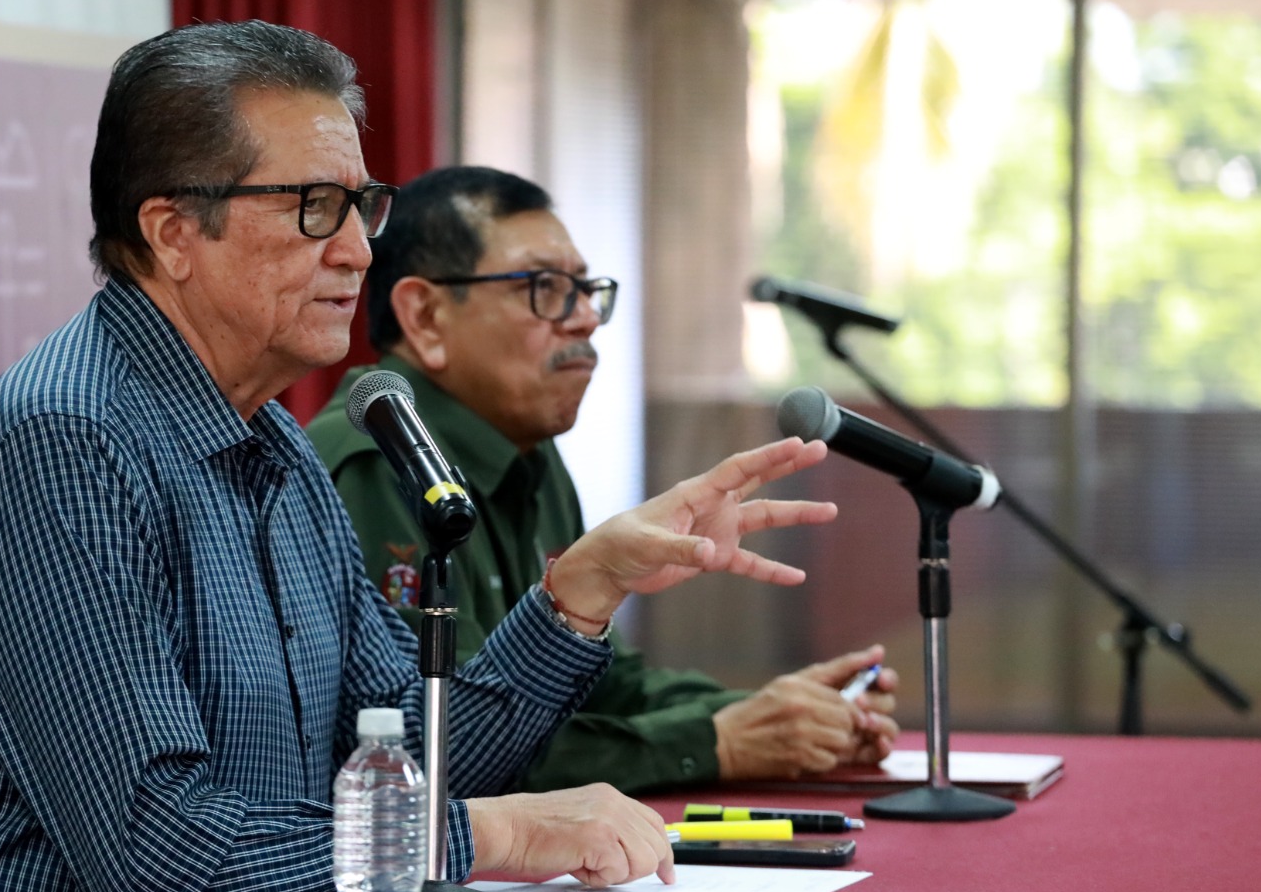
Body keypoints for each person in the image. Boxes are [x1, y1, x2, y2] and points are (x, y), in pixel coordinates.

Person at [0, 23, 840, 892]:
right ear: (173, 232)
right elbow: (154, 853)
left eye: (361, 205)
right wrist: (495, 836)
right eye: (313, 206)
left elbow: (411, 752)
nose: (356, 250)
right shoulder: (64, 445)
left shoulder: (267, 443)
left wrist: (581, 589)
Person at [308, 166, 898, 795]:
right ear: (425, 317)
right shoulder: (379, 466)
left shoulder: (527, 452)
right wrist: (717, 742)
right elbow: (443, 749)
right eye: (545, 288)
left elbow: (599, 689)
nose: (586, 317)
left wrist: (770, 711)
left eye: (587, 290)